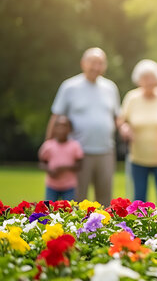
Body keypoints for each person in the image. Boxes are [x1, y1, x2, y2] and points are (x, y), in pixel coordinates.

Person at [47, 47, 121, 206]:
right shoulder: (69, 87)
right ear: (83, 63)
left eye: (100, 63)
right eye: (92, 62)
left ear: (105, 66)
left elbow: (117, 117)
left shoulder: (111, 88)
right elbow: (56, 116)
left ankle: (103, 231)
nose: (96, 67)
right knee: (79, 200)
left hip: (106, 151)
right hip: (78, 154)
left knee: (105, 200)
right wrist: (49, 145)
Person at [118, 59, 157, 206]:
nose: (149, 82)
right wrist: (124, 128)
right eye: (145, 78)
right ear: (138, 80)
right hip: (138, 158)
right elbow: (121, 120)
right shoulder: (131, 98)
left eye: (152, 78)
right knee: (139, 200)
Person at [39, 115, 83, 201]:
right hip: (52, 186)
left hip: (69, 186)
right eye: (58, 126)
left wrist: (65, 168)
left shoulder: (75, 146)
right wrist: (49, 170)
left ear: (70, 129)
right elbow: (42, 163)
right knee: (49, 210)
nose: (61, 129)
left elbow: (80, 165)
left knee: (69, 211)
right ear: (54, 129)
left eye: (64, 126)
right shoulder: (48, 145)